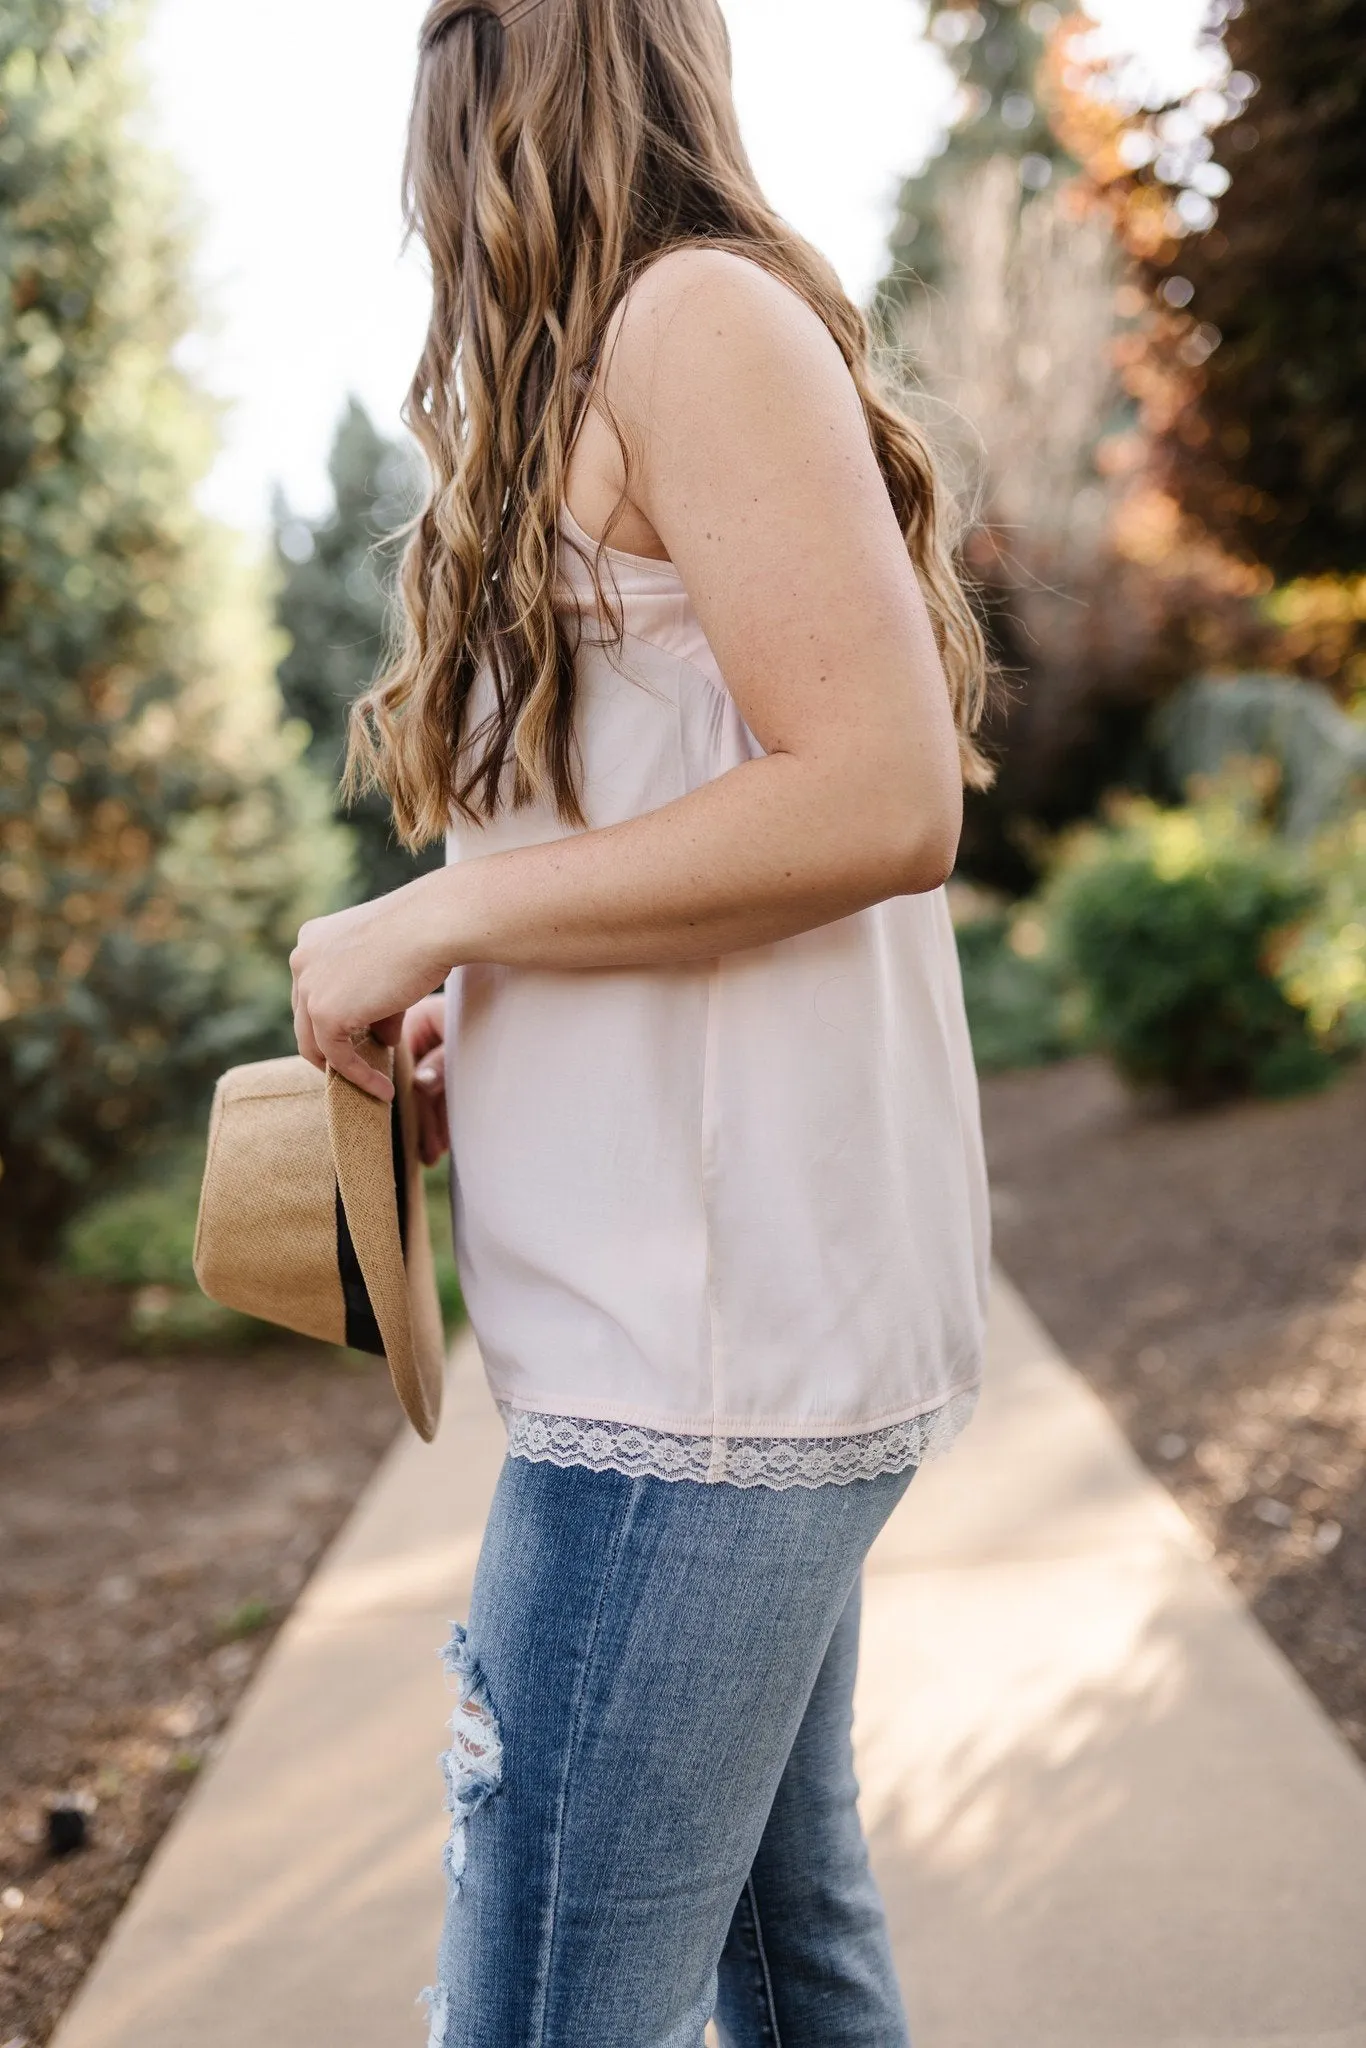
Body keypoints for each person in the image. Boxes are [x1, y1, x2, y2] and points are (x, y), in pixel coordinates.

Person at [288, 0, 992, 2038]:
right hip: (703, 1351)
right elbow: (685, 836)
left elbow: (881, 792)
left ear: (506, 73)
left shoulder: (692, 325)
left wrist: (432, 914)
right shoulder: (629, 362)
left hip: (691, 1384)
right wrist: (486, 1006)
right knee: (790, 1962)